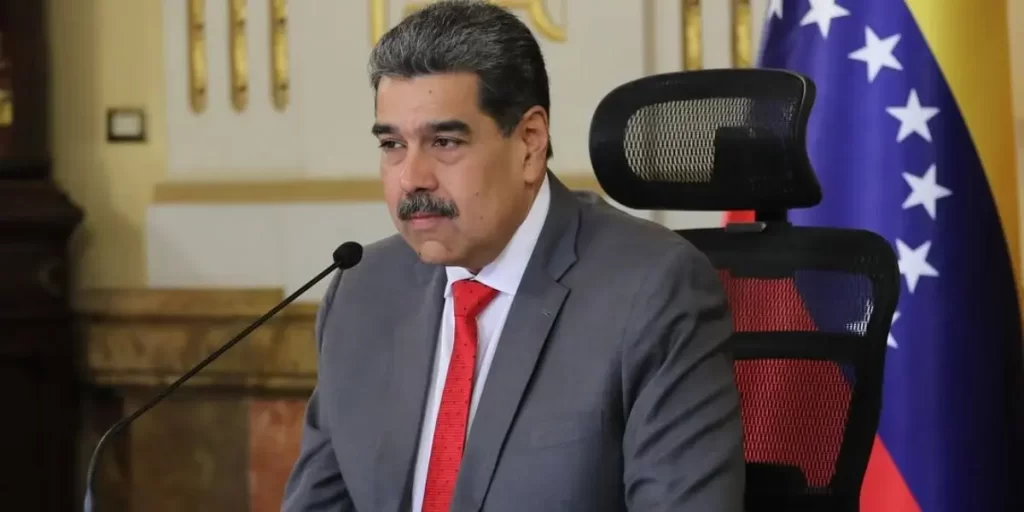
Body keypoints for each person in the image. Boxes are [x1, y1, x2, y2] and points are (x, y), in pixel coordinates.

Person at [281, 1, 745, 510]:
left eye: (444, 141)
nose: (411, 177)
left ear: (529, 143)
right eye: (392, 144)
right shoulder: (362, 290)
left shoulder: (651, 289)